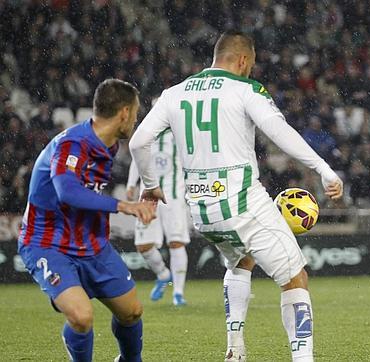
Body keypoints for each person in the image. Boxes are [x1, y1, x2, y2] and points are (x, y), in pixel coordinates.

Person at [129, 31, 343, 362]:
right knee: (295, 277)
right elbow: (278, 131)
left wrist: (149, 183)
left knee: (242, 260)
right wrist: (324, 169)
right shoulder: (245, 90)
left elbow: (137, 142)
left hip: (200, 208)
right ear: (243, 60)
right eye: (251, 64)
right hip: (241, 198)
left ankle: (235, 350)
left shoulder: (173, 94)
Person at [17, 79, 159, 362]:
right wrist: (123, 206)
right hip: (48, 244)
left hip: (91, 243)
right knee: (82, 317)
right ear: (124, 114)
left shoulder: (108, 145)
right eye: (135, 112)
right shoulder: (72, 144)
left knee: (131, 312)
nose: (135, 119)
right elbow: (67, 192)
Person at [127, 116, 191, 307]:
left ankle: (178, 293)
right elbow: (138, 158)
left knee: (176, 243)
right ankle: (163, 275)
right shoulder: (146, 133)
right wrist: (131, 184)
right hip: (148, 198)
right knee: (143, 246)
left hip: (174, 196)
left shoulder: (182, 134)